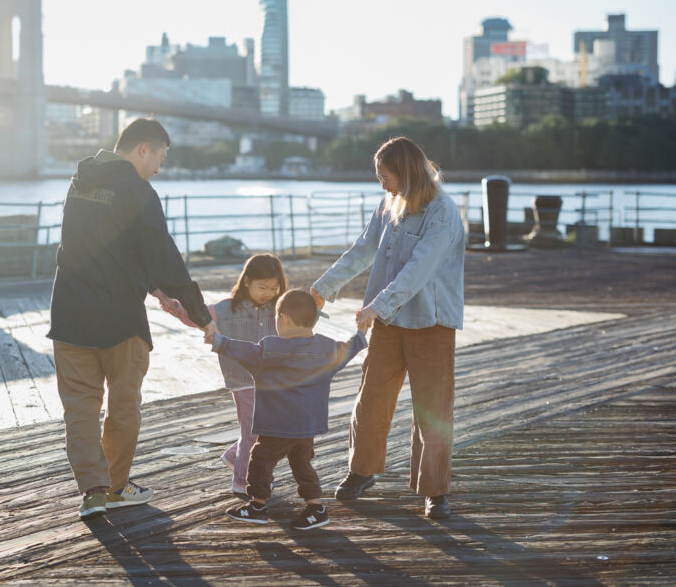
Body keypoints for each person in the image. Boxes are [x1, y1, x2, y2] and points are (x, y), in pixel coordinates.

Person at [48, 117, 215, 520]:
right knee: (124, 407)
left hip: (69, 314)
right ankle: (117, 487)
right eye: (160, 156)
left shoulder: (80, 181)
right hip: (119, 319)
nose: (159, 167)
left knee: (81, 410)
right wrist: (200, 313)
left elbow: (108, 248)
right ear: (144, 149)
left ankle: (93, 491)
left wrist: (154, 288)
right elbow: (162, 255)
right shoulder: (138, 190)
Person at [310, 136, 465, 520]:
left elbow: (419, 270)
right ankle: (361, 471)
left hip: (432, 321)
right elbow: (363, 250)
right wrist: (323, 287)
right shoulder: (388, 204)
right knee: (371, 398)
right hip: (388, 321)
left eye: (385, 176)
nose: (381, 184)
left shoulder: (442, 212)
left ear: (407, 172)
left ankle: (434, 491)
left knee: (432, 410)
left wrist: (374, 308)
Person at [206, 289, 366, 530]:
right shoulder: (327, 349)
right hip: (307, 426)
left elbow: (241, 350)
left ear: (284, 319)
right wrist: (362, 332)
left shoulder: (269, 350)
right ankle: (316, 508)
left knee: (260, 461)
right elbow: (350, 348)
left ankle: (257, 506)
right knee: (302, 465)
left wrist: (217, 340)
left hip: (277, 425)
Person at [155, 254, 286, 495]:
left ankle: (233, 456)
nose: (268, 292)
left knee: (268, 428)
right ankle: (242, 481)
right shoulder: (227, 309)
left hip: (271, 380)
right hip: (243, 379)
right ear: (246, 281)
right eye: (262, 287)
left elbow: (296, 326)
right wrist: (177, 309)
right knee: (252, 430)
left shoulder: (276, 310)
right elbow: (198, 316)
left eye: (273, 288)